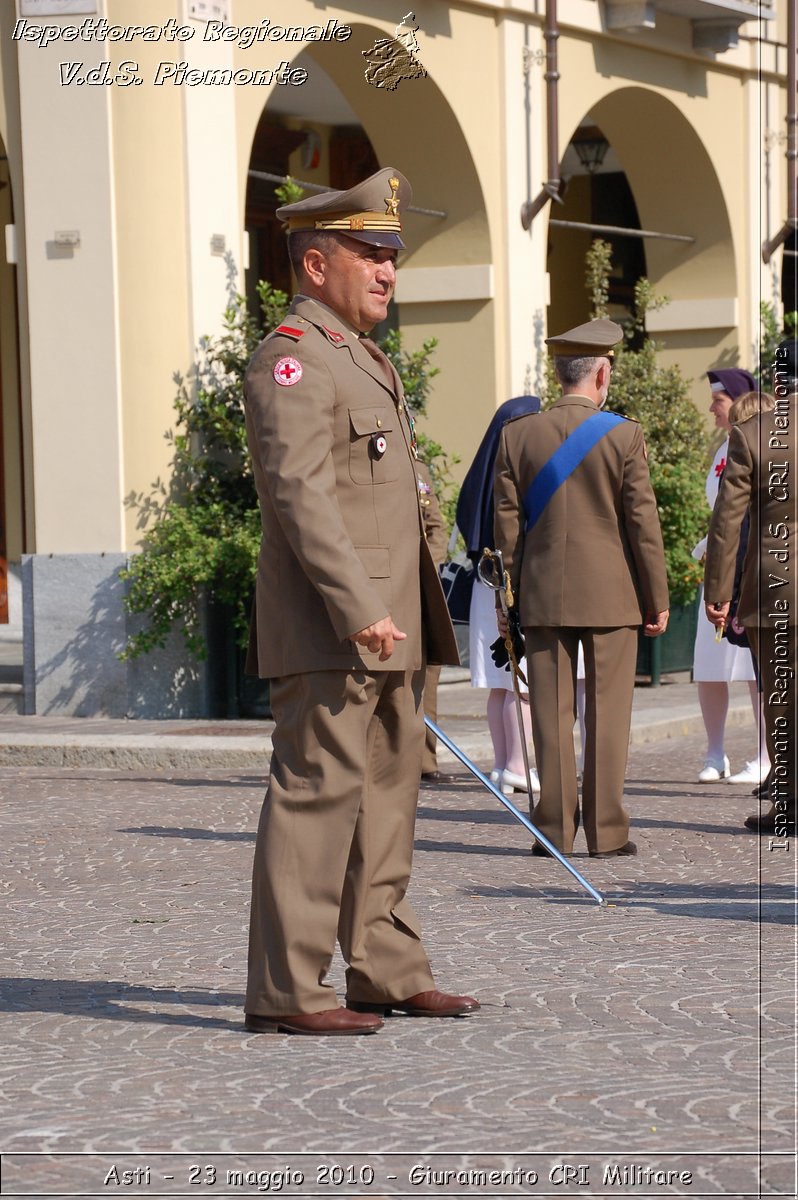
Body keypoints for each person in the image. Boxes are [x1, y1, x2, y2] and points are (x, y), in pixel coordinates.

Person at [243, 167, 478, 1035]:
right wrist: (356, 605)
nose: (387, 270)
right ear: (315, 264)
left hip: (391, 623)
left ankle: (384, 968)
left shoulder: (359, 355)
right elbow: (300, 495)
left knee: (386, 804)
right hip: (336, 627)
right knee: (316, 800)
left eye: (392, 256)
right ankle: (288, 991)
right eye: (370, 253)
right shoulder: (293, 358)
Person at [494, 319, 669, 858]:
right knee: (609, 715)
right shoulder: (623, 434)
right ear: (602, 372)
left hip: (544, 593)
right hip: (613, 596)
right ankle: (607, 832)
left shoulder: (516, 434)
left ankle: (552, 830)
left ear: (560, 373)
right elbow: (642, 525)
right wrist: (655, 599)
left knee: (548, 714)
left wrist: (508, 601)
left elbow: (507, 531)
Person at [704, 338, 797, 838]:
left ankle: (790, 804)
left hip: (772, 587)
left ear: (777, 384)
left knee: (780, 698)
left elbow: (728, 522)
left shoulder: (754, 433)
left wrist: (718, 592)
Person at [456, 396, 541, 796]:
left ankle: (502, 763)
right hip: (508, 586)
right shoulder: (514, 469)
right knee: (519, 682)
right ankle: (518, 766)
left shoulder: (482, 470)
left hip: (483, 583)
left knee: (499, 684)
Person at [692, 368, 767, 786]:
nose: (710, 408)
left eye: (717, 400)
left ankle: (764, 755)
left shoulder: (756, 444)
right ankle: (715, 750)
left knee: (756, 669)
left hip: (747, 571)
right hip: (720, 569)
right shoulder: (723, 447)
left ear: (736, 400)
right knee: (710, 664)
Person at [416, 460, 454, 782]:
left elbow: (436, 526)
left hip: (421, 581)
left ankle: (426, 759)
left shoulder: (419, 471)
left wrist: (431, 566)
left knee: (428, 671)